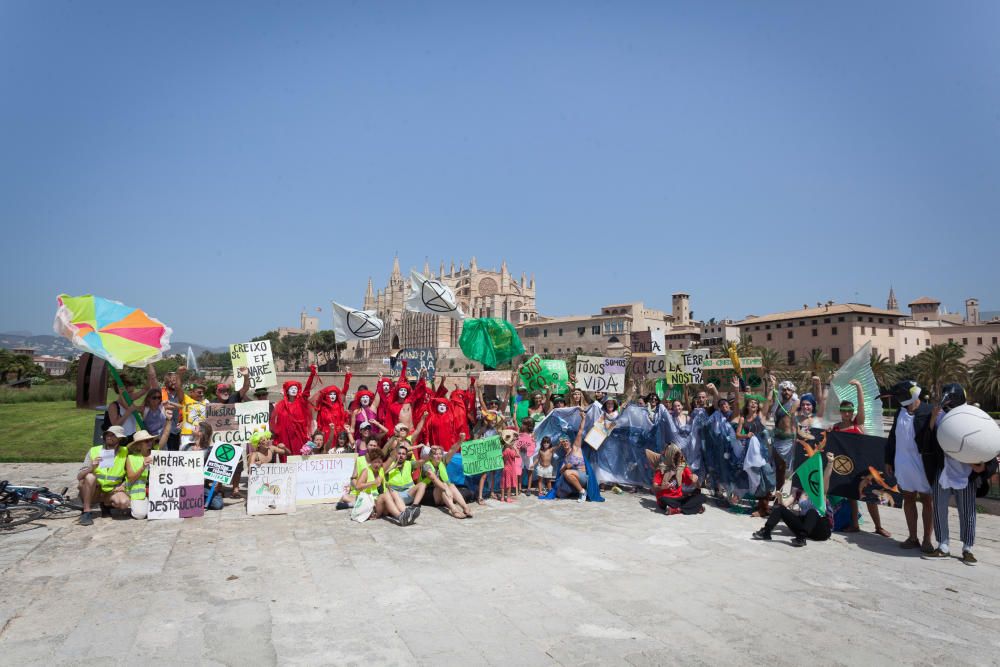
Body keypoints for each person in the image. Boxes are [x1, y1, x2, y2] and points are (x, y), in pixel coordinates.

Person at [924, 383, 982, 565]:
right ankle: (943, 545)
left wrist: (980, 465)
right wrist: (933, 418)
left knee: (968, 511)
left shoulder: (970, 416)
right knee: (939, 508)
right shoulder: (940, 415)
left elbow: (980, 439)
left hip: (966, 471)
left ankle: (967, 548)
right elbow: (928, 440)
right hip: (944, 470)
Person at [828, 380, 890, 537]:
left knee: (869, 497)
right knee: (851, 497)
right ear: (840, 411)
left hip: (861, 465)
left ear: (852, 411)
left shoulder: (858, 424)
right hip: (846, 467)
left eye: (849, 410)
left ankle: (878, 526)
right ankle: (855, 524)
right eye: (844, 410)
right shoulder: (836, 427)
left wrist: (859, 387)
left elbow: (862, 407)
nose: (847, 413)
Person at [885, 380, 938, 553]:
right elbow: (893, 437)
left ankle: (927, 540)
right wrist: (888, 460)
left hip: (923, 464)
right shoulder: (899, 412)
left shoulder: (929, 411)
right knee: (908, 498)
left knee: (926, 500)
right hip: (902, 462)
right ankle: (912, 537)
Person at [752, 452, 837, 547]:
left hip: (820, 530)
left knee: (812, 512)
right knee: (779, 508)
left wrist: (830, 463)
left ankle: (801, 538)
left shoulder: (821, 491)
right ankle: (766, 531)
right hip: (804, 527)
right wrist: (780, 497)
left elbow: (826, 477)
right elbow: (784, 505)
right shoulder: (798, 491)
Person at [77, 425, 131, 526]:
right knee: (90, 476)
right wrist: (91, 467)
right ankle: (86, 511)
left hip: (112, 490)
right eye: (107, 434)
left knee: (124, 503)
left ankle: (105, 504)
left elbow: (130, 473)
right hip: (94, 490)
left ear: (120, 438)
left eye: (113, 435)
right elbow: (79, 476)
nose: (109, 437)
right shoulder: (94, 450)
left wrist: (124, 485)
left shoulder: (125, 451)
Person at [124, 424, 172, 519]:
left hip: (157, 491)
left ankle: (148, 505)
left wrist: (169, 420)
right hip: (140, 493)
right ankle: (134, 504)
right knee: (140, 515)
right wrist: (142, 467)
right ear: (138, 445)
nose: (150, 442)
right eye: (146, 441)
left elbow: (166, 434)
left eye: (150, 440)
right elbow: (130, 479)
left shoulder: (157, 453)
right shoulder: (131, 458)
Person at [355, 449, 414, 525]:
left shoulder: (381, 470)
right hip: (370, 505)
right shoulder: (366, 471)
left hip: (379, 505)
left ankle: (406, 513)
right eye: (375, 462)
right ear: (370, 462)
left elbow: (383, 485)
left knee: (394, 493)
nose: (377, 465)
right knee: (384, 495)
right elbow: (357, 486)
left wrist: (389, 488)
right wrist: (373, 483)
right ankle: (400, 516)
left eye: (379, 462)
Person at [270, 365, 318, 458]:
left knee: (300, 457)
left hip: (298, 436)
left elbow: (307, 389)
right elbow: (277, 423)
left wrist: (312, 374)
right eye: (291, 389)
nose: (294, 390)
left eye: (295, 389)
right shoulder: (281, 405)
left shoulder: (301, 402)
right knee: (286, 458)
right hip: (285, 436)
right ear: (287, 391)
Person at [651, 443, 705, 515]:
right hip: (666, 499)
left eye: (678, 455)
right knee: (663, 499)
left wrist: (696, 480)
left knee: (702, 497)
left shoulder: (682, 468)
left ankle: (677, 510)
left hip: (678, 498)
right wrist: (662, 487)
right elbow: (654, 488)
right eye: (675, 456)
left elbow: (697, 486)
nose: (677, 458)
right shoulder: (661, 469)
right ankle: (692, 507)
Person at [421, 444, 473, 518]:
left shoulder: (442, 463)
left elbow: (452, 450)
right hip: (427, 494)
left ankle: (465, 507)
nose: (438, 456)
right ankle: (454, 510)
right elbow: (434, 478)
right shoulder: (426, 465)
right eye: (435, 454)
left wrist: (461, 440)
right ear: (431, 456)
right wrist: (446, 489)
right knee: (444, 486)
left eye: (440, 454)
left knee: (451, 485)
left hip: (439, 493)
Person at [384, 440, 427, 513]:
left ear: (406, 456)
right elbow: (380, 475)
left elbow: (421, 462)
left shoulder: (409, 464)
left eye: (403, 454)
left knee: (423, 484)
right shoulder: (389, 464)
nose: (401, 455)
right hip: (395, 496)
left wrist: (430, 456)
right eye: (399, 453)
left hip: (409, 493)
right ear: (395, 454)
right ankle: (402, 512)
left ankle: (414, 507)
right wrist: (393, 467)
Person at [313, 369, 352, 443]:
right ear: (327, 395)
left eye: (334, 394)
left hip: (338, 434)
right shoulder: (322, 407)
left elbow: (344, 391)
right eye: (330, 394)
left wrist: (347, 376)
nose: (332, 396)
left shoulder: (339, 404)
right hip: (326, 434)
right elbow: (319, 423)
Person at [558, 415, 589, 503]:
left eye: (566, 441)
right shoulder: (566, 457)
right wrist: (565, 467)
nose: (565, 443)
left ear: (570, 442)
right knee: (560, 493)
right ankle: (579, 491)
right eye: (563, 442)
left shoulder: (576, 448)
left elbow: (580, 432)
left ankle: (582, 492)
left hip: (583, 476)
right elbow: (561, 471)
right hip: (574, 477)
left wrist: (583, 419)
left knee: (567, 472)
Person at [180, 382, 209, 449]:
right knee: (186, 455)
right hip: (187, 435)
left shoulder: (207, 402)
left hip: (201, 435)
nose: (202, 394)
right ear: (191, 392)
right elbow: (178, 388)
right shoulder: (185, 399)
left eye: (203, 392)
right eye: (199, 392)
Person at [517, 418, 537, 492]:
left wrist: (532, 443)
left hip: (529, 455)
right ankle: (519, 487)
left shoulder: (532, 434)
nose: (522, 425)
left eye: (524, 424)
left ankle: (528, 488)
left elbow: (533, 444)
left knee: (530, 470)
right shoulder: (520, 432)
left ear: (529, 425)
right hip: (521, 454)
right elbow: (518, 441)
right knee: (519, 470)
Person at [500, 430, 520, 503]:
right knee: (509, 484)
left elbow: (501, 457)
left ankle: (502, 497)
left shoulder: (504, 450)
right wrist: (515, 449)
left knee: (503, 483)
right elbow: (518, 455)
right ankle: (508, 498)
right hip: (511, 469)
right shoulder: (511, 451)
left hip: (505, 468)